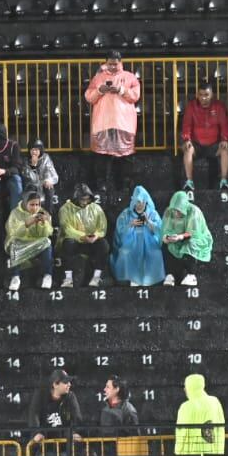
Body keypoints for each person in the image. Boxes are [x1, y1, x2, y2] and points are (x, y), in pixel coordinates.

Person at [85, 51, 141, 193]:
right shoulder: (98, 78)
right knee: (101, 157)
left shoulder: (130, 77)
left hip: (124, 124)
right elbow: (89, 97)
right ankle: (101, 186)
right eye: (110, 64)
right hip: (103, 123)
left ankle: (125, 186)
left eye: (115, 64)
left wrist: (122, 90)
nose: (113, 67)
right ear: (106, 62)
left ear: (120, 62)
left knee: (125, 157)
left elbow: (135, 95)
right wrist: (100, 90)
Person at [181, 80, 228, 192]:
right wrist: (187, 139)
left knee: (225, 149)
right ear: (197, 95)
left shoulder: (219, 106)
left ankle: (223, 181)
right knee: (187, 149)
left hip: (214, 145)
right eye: (201, 95)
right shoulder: (191, 106)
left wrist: (225, 139)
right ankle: (189, 181)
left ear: (212, 94)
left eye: (206, 95)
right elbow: (186, 125)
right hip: (197, 145)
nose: (204, 98)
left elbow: (224, 125)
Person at [112, 186, 166, 286]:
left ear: (146, 202)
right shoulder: (126, 214)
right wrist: (130, 225)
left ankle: (149, 281)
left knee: (155, 253)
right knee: (126, 253)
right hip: (131, 242)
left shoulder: (153, 213)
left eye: (142, 202)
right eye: (137, 202)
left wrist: (148, 222)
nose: (139, 205)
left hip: (149, 243)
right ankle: (132, 279)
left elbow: (160, 230)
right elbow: (120, 231)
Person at [58, 183, 110, 288]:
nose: (85, 202)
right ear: (76, 198)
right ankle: (68, 278)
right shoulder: (65, 209)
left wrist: (96, 236)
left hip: (91, 242)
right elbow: (66, 229)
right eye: (82, 199)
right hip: (76, 243)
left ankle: (97, 277)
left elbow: (102, 227)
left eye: (87, 199)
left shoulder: (96, 208)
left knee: (104, 244)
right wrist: (82, 237)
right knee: (68, 243)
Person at [6, 190, 55, 291]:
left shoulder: (42, 212)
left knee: (47, 243)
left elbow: (48, 233)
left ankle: (47, 276)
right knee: (14, 243)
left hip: (35, 243)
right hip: (19, 243)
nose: (35, 207)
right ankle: (15, 277)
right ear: (25, 203)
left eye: (37, 204)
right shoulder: (15, 213)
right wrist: (27, 224)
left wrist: (44, 223)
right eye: (32, 204)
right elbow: (14, 233)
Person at [162, 191, 212, 286]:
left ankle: (191, 276)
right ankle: (170, 275)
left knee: (191, 243)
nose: (176, 213)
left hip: (197, 238)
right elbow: (166, 229)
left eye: (179, 210)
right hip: (177, 238)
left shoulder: (194, 211)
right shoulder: (169, 212)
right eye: (175, 210)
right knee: (166, 245)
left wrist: (180, 237)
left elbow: (194, 233)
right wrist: (167, 237)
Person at [28, 369, 84, 445]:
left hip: (65, 444)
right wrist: (36, 433)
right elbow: (34, 415)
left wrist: (75, 432)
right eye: (65, 382)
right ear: (55, 384)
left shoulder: (70, 396)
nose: (69, 384)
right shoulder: (40, 395)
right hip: (44, 443)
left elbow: (77, 417)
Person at [174, 374, 226, 455]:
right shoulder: (215, 402)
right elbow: (220, 427)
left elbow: (181, 434)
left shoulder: (185, 407)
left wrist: (178, 452)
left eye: (186, 386)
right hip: (213, 453)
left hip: (192, 455)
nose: (185, 389)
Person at [22, 139, 60, 215]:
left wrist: (48, 180)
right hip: (31, 187)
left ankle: (48, 216)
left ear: (40, 150)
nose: (34, 152)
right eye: (32, 150)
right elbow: (30, 179)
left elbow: (53, 175)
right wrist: (33, 166)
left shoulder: (46, 158)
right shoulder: (26, 161)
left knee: (49, 188)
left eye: (36, 150)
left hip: (43, 186)